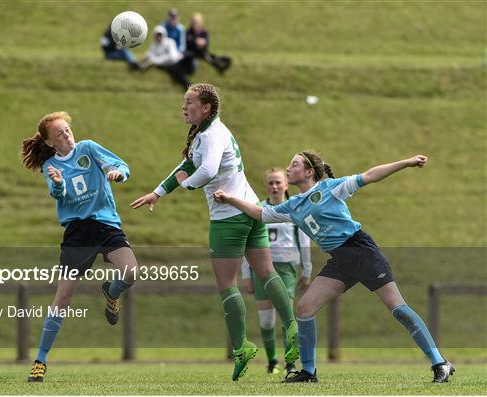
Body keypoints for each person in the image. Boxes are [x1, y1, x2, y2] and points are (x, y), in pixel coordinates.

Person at [214, 152, 455, 384]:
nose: (289, 168)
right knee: (305, 309)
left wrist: (407, 162)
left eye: (295, 164)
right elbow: (259, 213)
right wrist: (230, 199)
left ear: (309, 172)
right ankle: (308, 372)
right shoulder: (293, 205)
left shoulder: (331, 187)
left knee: (398, 308)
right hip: (340, 260)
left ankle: (439, 362)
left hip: (361, 251)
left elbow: (370, 175)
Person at [130, 83, 299, 381]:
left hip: (228, 217)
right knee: (267, 273)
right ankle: (293, 326)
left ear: (206, 107)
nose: (184, 107)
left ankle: (241, 347)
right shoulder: (214, 131)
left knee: (227, 284)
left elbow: (205, 170)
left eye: (190, 102)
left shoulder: (210, 135)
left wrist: (186, 184)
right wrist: (158, 192)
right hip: (250, 209)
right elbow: (188, 163)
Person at [21, 111, 138, 382]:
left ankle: (112, 291)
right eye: (59, 133)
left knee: (131, 273)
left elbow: (120, 166)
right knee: (62, 298)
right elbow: (56, 192)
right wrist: (59, 185)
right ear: (50, 142)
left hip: (107, 226)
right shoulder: (51, 165)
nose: (66, 135)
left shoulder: (88, 148)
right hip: (78, 233)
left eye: (67, 130)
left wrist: (117, 174)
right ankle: (40, 360)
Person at [241, 168, 312, 376]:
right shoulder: (259, 209)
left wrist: (306, 270)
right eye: (271, 183)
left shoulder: (294, 208)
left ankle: (290, 362)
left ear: (286, 184)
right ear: (266, 186)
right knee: (266, 320)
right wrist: (246, 274)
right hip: (261, 267)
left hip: (286, 268)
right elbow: (249, 242)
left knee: (286, 317)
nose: (274, 186)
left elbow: (305, 241)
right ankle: (272, 361)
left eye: (278, 182)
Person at [139, 25, 191, 91]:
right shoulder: (153, 45)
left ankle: (190, 87)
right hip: (166, 66)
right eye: (157, 35)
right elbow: (149, 55)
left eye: (160, 35)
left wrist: (155, 60)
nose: (158, 37)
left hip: (175, 63)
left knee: (178, 73)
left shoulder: (170, 42)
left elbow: (172, 58)